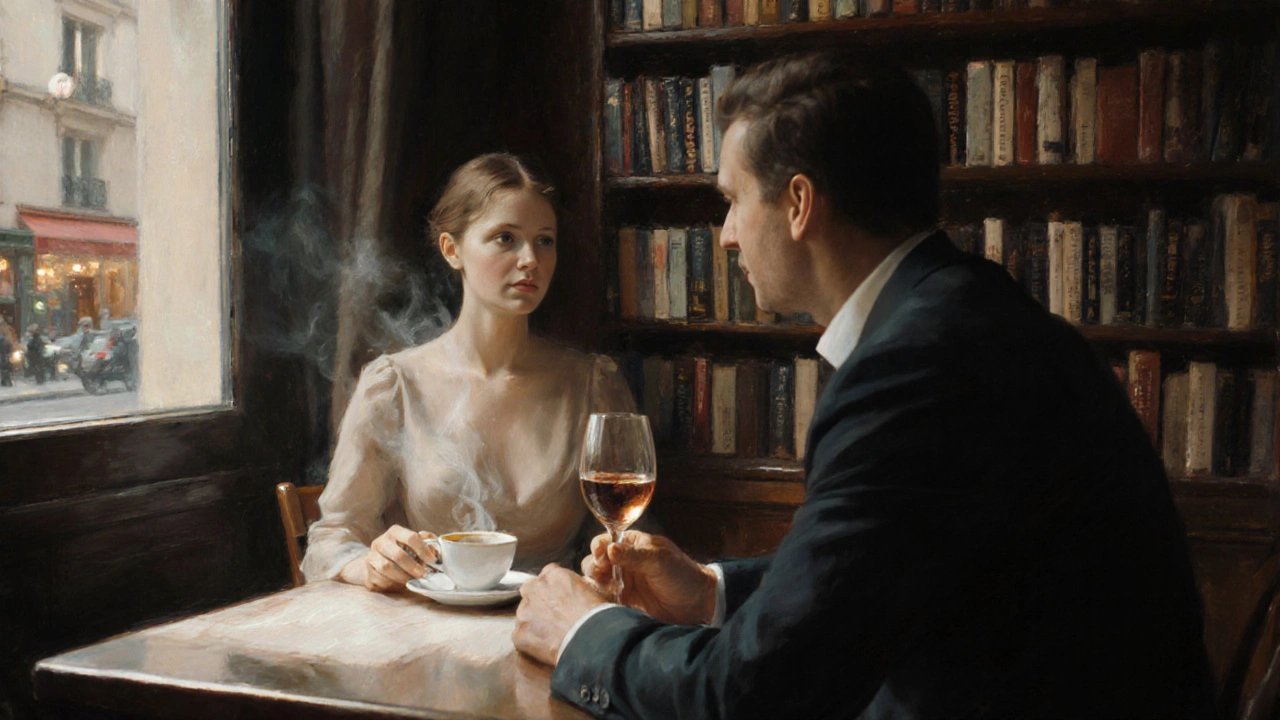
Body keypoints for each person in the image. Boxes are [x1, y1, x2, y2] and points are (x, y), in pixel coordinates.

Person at [513, 53, 1217, 718]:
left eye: (732, 201)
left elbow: (752, 694)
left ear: (798, 203)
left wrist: (584, 632)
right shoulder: (961, 312)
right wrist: (711, 593)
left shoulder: (916, 366)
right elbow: (891, 569)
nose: (725, 236)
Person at [302, 153, 636, 593]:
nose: (530, 260)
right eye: (505, 238)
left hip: (555, 619)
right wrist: (371, 564)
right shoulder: (395, 386)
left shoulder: (592, 384)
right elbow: (331, 540)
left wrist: (607, 564)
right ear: (451, 249)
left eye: (544, 241)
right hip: (427, 622)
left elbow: (630, 539)